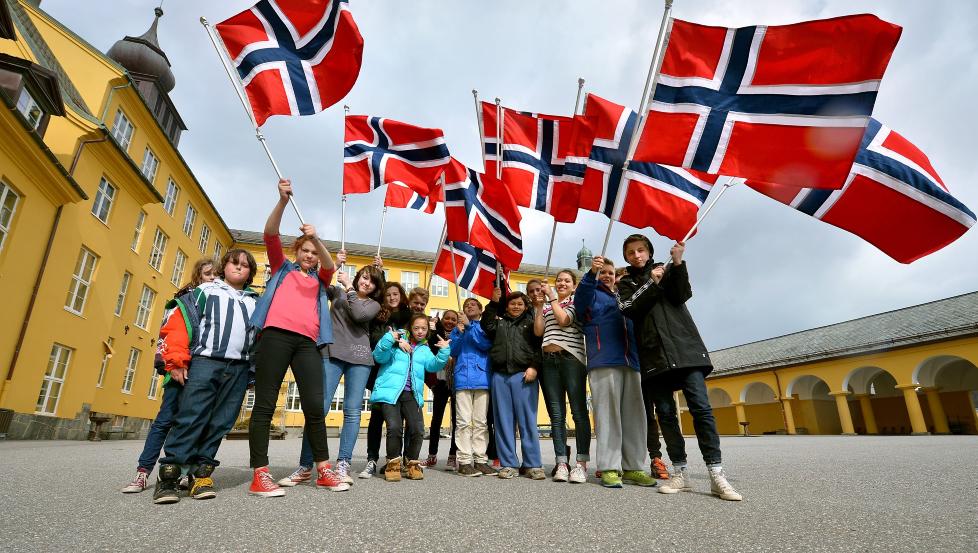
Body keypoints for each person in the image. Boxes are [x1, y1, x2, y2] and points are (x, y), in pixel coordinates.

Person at [616, 234, 742, 501]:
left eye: (641, 250)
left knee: (702, 410)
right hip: (653, 357)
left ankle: (716, 474)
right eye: (631, 252)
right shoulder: (625, 284)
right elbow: (629, 308)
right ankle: (680, 473)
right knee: (667, 415)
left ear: (649, 252)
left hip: (686, 350)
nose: (636, 255)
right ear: (626, 257)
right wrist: (652, 282)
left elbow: (682, 294)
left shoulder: (668, 269)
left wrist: (678, 262)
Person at [247, 178, 345, 497]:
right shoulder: (282, 268)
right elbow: (270, 233)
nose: (309, 256)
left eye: (312, 252)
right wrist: (283, 202)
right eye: (304, 251)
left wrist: (318, 240)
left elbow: (331, 264)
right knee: (264, 403)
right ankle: (260, 474)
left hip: (307, 343)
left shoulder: (321, 279)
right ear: (296, 252)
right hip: (275, 336)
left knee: (315, 405)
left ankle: (323, 470)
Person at [151, 249, 260, 504]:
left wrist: (256, 371)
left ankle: (201, 474)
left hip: (239, 368)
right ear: (224, 266)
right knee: (191, 415)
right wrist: (176, 361)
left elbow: (261, 339)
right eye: (234, 262)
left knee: (221, 422)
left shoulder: (255, 301)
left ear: (250, 273)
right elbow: (179, 324)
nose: (239, 267)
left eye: (245, 265)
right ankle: (170, 475)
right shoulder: (204, 292)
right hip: (205, 361)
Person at [279, 264, 383, 487]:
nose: (366, 282)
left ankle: (343, 463)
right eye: (364, 277)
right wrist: (332, 265)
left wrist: (349, 287)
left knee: (352, 411)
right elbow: (316, 286)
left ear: (375, 288)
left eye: (371, 281)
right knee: (319, 408)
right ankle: (306, 465)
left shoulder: (372, 304)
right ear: (358, 277)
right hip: (332, 351)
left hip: (360, 356)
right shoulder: (337, 292)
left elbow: (358, 314)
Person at [121, 258, 215, 494]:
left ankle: (186, 472)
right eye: (207, 274)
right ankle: (143, 472)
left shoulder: (219, 301)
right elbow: (170, 334)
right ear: (198, 277)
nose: (213, 278)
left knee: (197, 423)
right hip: (179, 367)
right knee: (164, 421)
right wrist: (173, 364)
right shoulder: (185, 300)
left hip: (202, 371)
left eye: (216, 275)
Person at [575, 256, 657, 488]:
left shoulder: (623, 297)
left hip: (631, 362)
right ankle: (610, 467)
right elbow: (580, 299)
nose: (608, 276)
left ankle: (633, 467)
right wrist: (592, 274)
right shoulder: (590, 294)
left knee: (634, 417)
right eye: (604, 273)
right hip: (604, 360)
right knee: (608, 416)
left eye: (610, 272)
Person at [371, 313, 452, 481]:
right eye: (416, 328)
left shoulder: (424, 349)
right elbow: (378, 356)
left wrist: (444, 351)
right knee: (394, 428)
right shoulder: (396, 341)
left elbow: (433, 365)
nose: (420, 331)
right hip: (390, 393)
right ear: (410, 328)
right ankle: (393, 464)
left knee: (417, 429)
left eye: (423, 328)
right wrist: (390, 339)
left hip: (411, 394)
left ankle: (411, 463)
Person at [533, 269, 590, 483]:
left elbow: (565, 320)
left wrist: (553, 298)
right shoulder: (547, 305)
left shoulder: (577, 300)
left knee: (578, 412)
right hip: (549, 361)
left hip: (571, 359)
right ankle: (562, 463)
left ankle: (581, 464)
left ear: (574, 285)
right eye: (559, 280)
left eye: (567, 280)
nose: (562, 283)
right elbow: (539, 332)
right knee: (556, 415)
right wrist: (539, 307)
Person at [483, 288, 544, 480]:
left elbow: (540, 345)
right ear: (507, 306)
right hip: (500, 375)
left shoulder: (532, 322)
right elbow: (486, 324)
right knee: (503, 422)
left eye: (520, 304)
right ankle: (509, 464)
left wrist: (534, 367)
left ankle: (532, 464)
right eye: (512, 303)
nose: (516, 306)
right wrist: (493, 303)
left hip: (524, 375)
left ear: (526, 306)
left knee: (527, 421)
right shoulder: (499, 323)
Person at [360, 281, 412, 478]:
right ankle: (372, 459)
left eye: (395, 294)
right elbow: (374, 339)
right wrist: (397, 340)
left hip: (402, 376)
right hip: (380, 375)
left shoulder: (408, 316)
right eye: (388, 294)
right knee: (377, 418)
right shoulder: (379, 317)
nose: (392, 297)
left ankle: (397, 459)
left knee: (401, 420)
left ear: (401, 296)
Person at [449, 299, 496, 477]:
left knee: (481, 422)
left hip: (482, 377)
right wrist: (460, 333)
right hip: (462, 379)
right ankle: (465, 461)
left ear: (480, 309)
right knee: (462, 422)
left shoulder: (483, 326)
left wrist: (469, 327)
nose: (469, 307)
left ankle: (481, 460)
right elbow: (453, 351)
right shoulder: (457, 329)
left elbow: (485, 345)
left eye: (473, 305)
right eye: (466, 305)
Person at [422, 310, 459, 470]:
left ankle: (453, 456)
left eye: (453, 319)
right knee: (436, 419)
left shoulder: (459, 334)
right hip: (441, 381)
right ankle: (432, 456)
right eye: (447, 318)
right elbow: (428, 351)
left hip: (457, 382)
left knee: (457, 421)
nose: (450, 321)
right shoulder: (435, 334)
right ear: (442, 320)